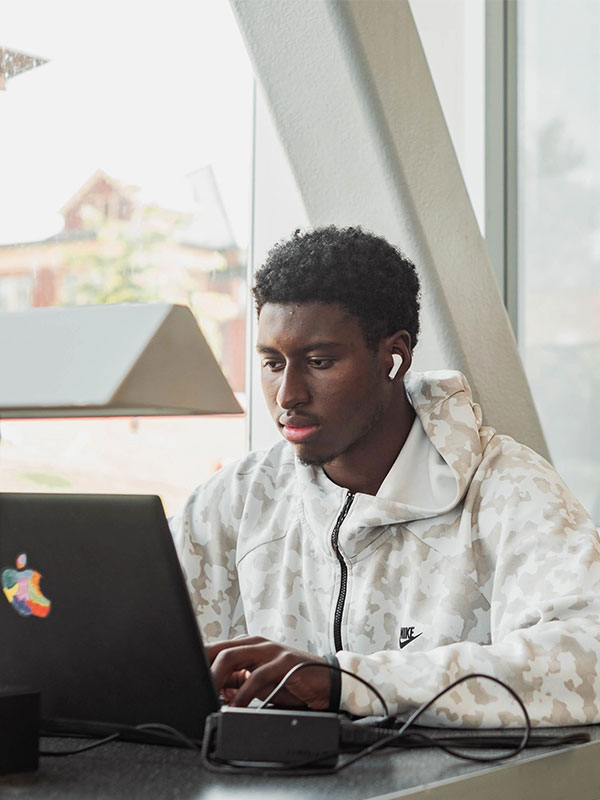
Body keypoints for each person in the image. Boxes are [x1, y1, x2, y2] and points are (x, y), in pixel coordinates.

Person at [170, 226, 600, 726]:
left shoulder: (507, 488)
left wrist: (347, 683)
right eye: (272, 363)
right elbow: (121, 631)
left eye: (318, 361)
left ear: (394, 356)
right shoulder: (242, 495)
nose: (287, 394)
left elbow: (587, 655)